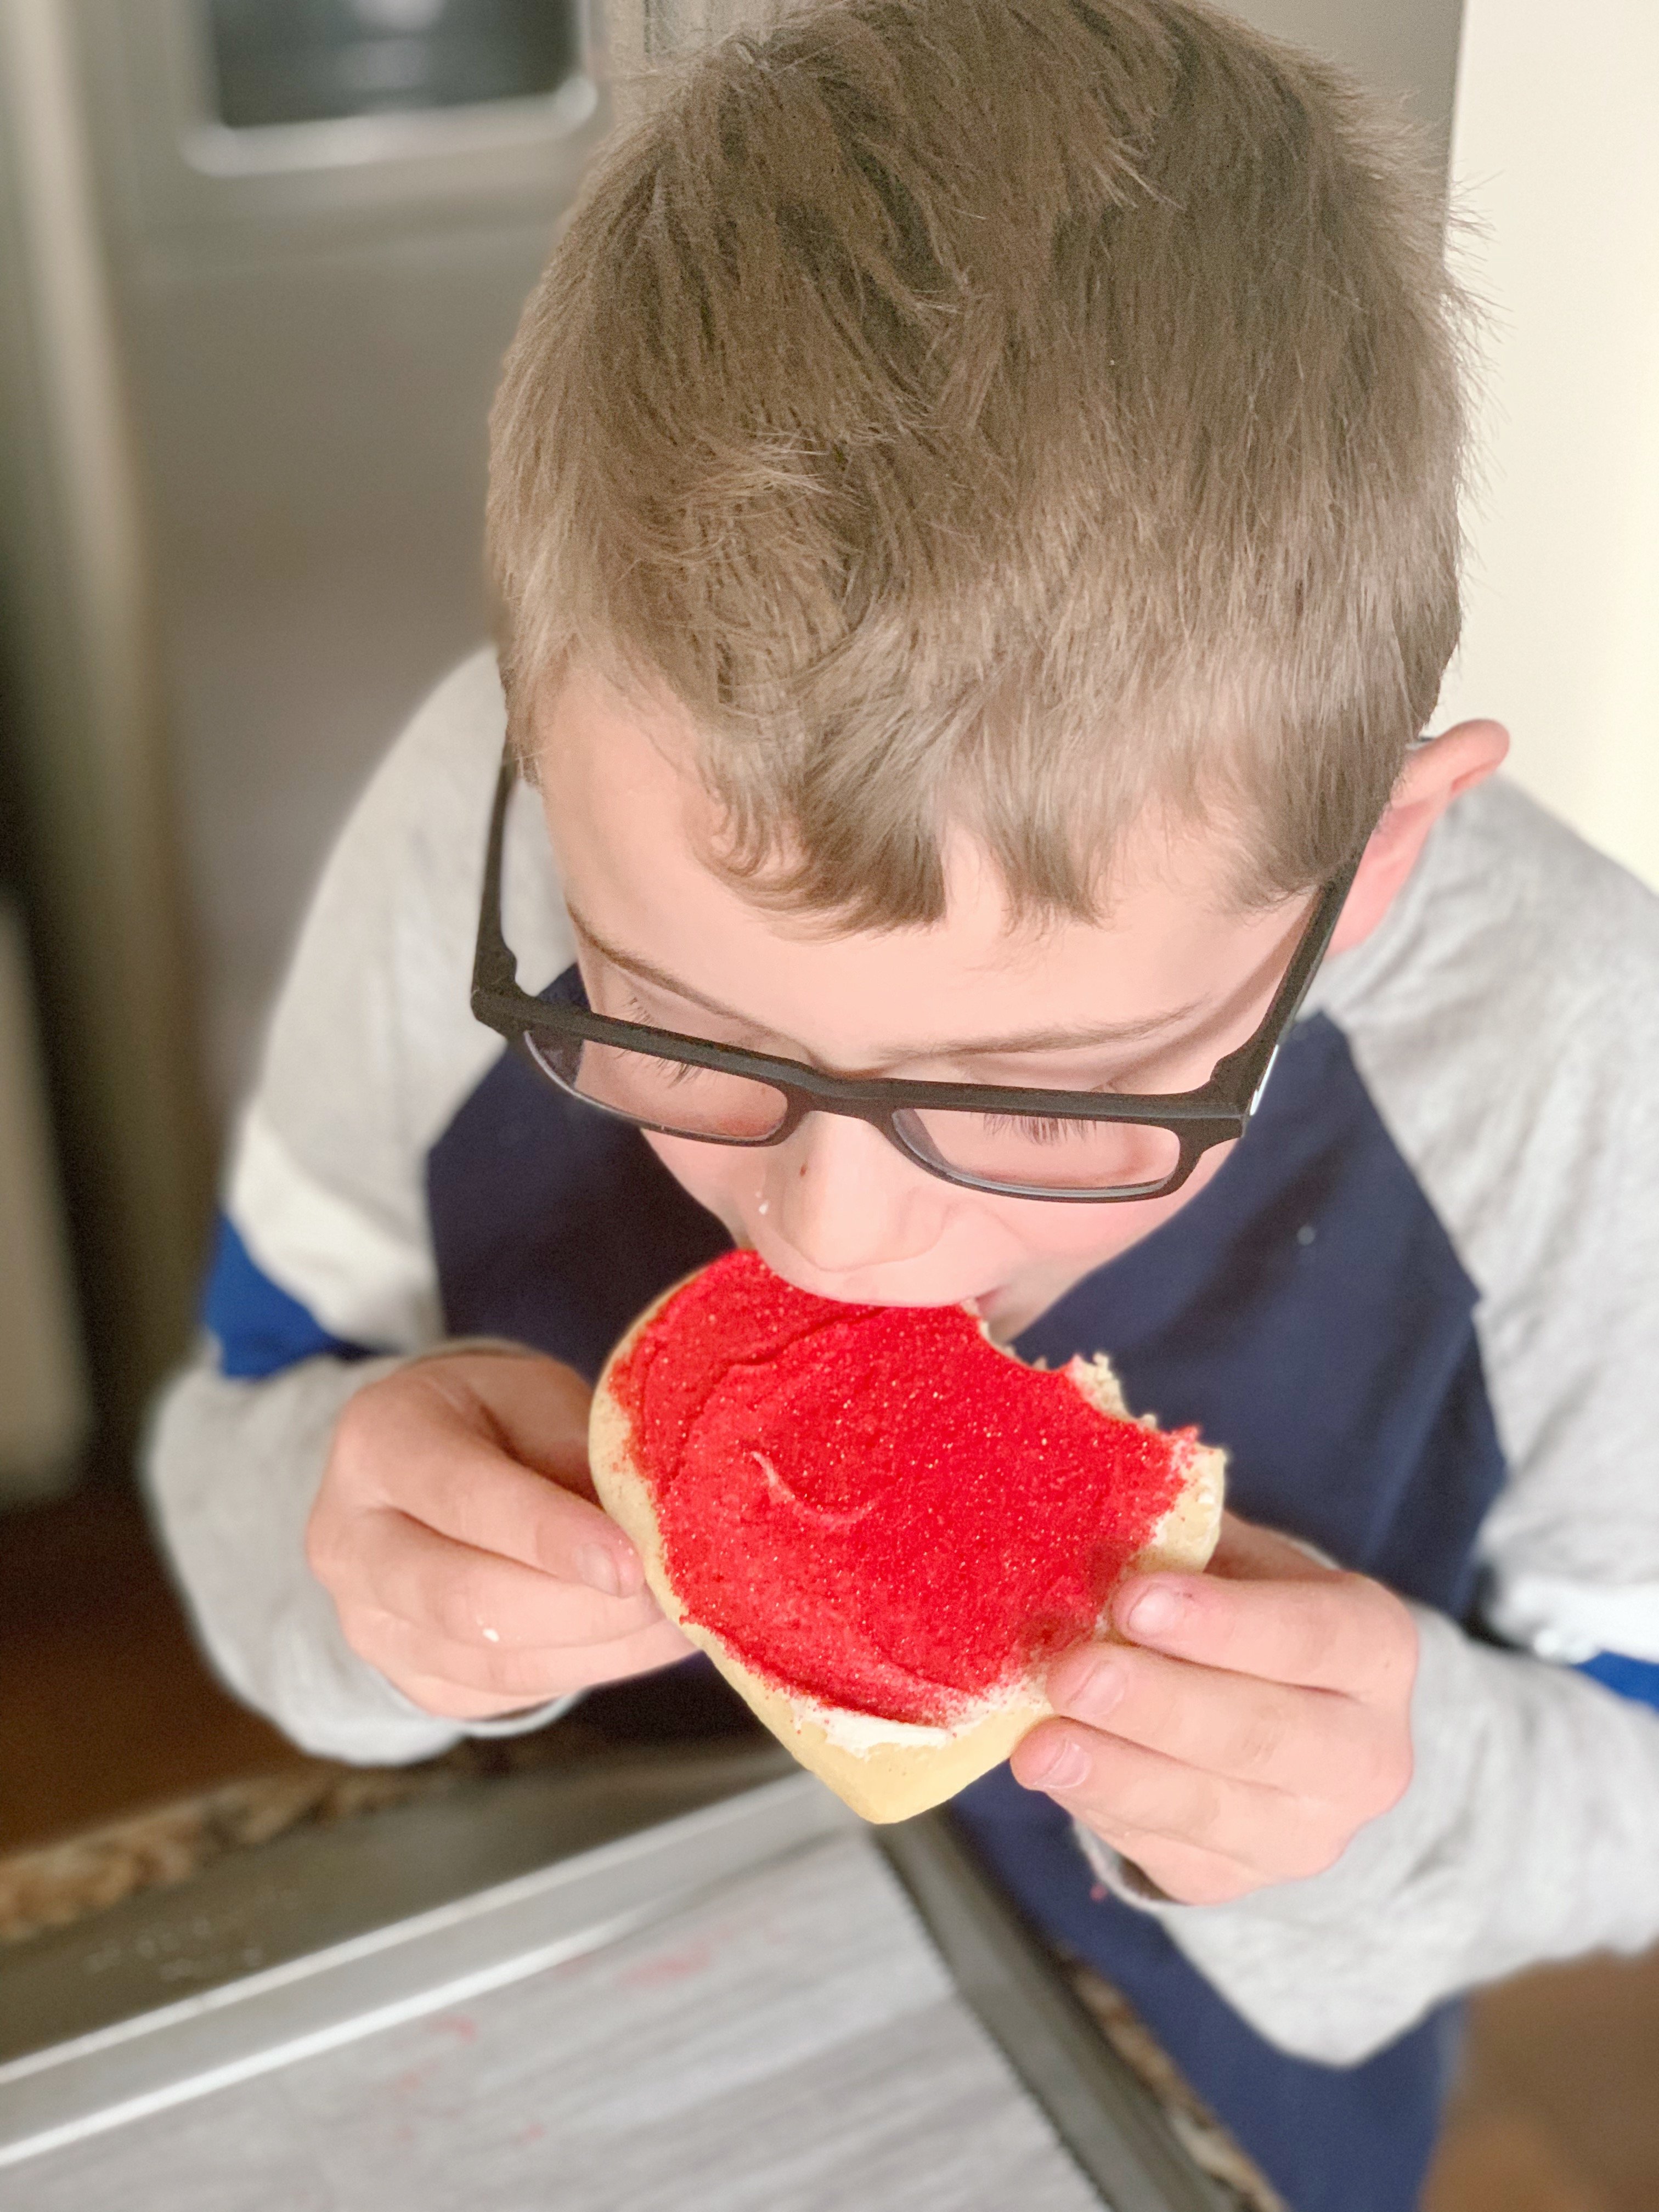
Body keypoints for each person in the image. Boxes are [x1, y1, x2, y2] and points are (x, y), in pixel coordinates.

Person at [145, 4, 1659, 2207]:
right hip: (556, 2070)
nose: (833, 1239)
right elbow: (246, 1411)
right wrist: (339, 1554)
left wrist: (1405, 1795)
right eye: (670, 1020)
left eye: (1060, 1094)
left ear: (1374, 873)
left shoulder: (1577, 1063)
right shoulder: (457, 847)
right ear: (542, 769)